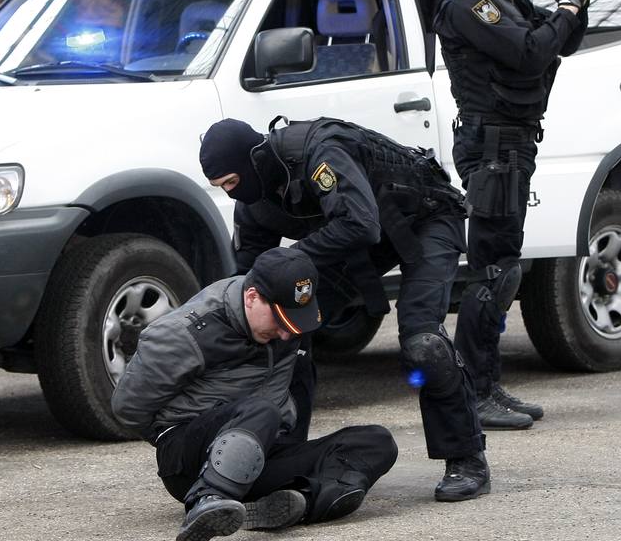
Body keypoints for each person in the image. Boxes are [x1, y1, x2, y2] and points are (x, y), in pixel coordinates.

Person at [199, 117, 490, 502]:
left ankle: (466, 457)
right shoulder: (255, 199)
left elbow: (358, 223)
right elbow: (250, 277)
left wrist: (289, 259)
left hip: (426, 217)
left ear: (253, 159)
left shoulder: (318, 153)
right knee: (283, 329)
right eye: (223, 189)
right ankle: (282, 454)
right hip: (361, 239)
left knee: (422, 341)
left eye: (232, 183)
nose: (234, 195)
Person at [432, 0, 602, 429]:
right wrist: (565, 10)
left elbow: (559, 46)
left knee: (503, 267)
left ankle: (486, 385)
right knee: (493, 271)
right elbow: (529, 52)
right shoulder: (470, 3)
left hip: (512, 144)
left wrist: (575, 0)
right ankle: (472, 393)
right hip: (493, 147)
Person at [112, 246, 398, 541]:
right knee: (261, 410)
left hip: (260, 447)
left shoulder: (286, 332)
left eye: (294, 322)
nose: (287, 334)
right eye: (280, 320)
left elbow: (280, 402)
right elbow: (127, 408)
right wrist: (199, 430)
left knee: (375, 442)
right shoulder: (184, 333)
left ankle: (287, 505)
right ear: (251, 297)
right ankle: (207, 501)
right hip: (188, 457)